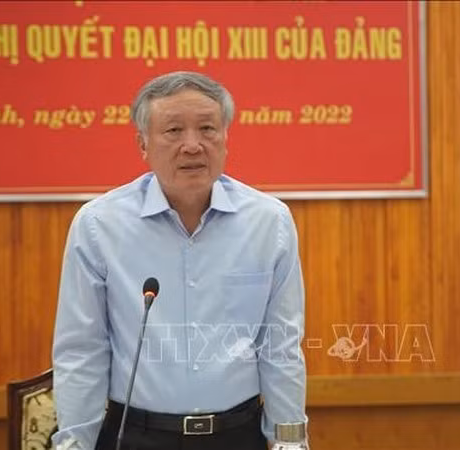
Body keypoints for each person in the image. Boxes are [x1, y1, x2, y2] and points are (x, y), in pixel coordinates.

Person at [52, 71, 308, 450]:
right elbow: (82, 349)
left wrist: (290, 442)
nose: (193, 145)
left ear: (225, 138)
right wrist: (74, 444)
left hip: (237, 435)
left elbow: (281, 344)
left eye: (207, 128)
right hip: (136, 436)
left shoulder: (269, 222)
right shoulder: (98, 226)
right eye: (173, 131)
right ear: (143, 144)